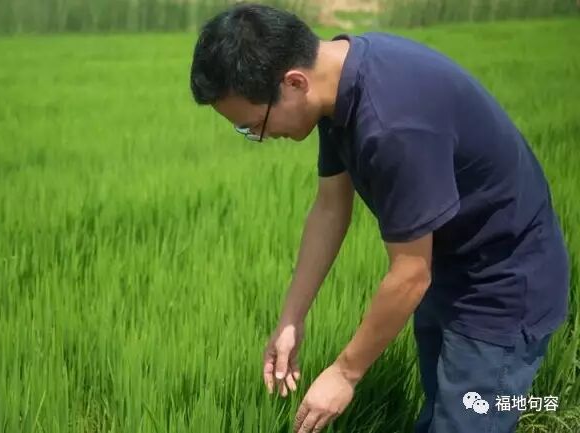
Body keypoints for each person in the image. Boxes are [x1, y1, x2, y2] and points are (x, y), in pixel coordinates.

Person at [189, 3, 570, 433]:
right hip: (451, 265)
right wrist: (291, 319)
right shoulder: (333, 83)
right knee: (444, 411)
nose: (260, 136)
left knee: (471, 418)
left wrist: (345, 373)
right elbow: (331, 206)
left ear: (294, 83)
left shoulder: (391, 125)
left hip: (502, 284)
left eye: (253, 126)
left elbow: (410, 274)